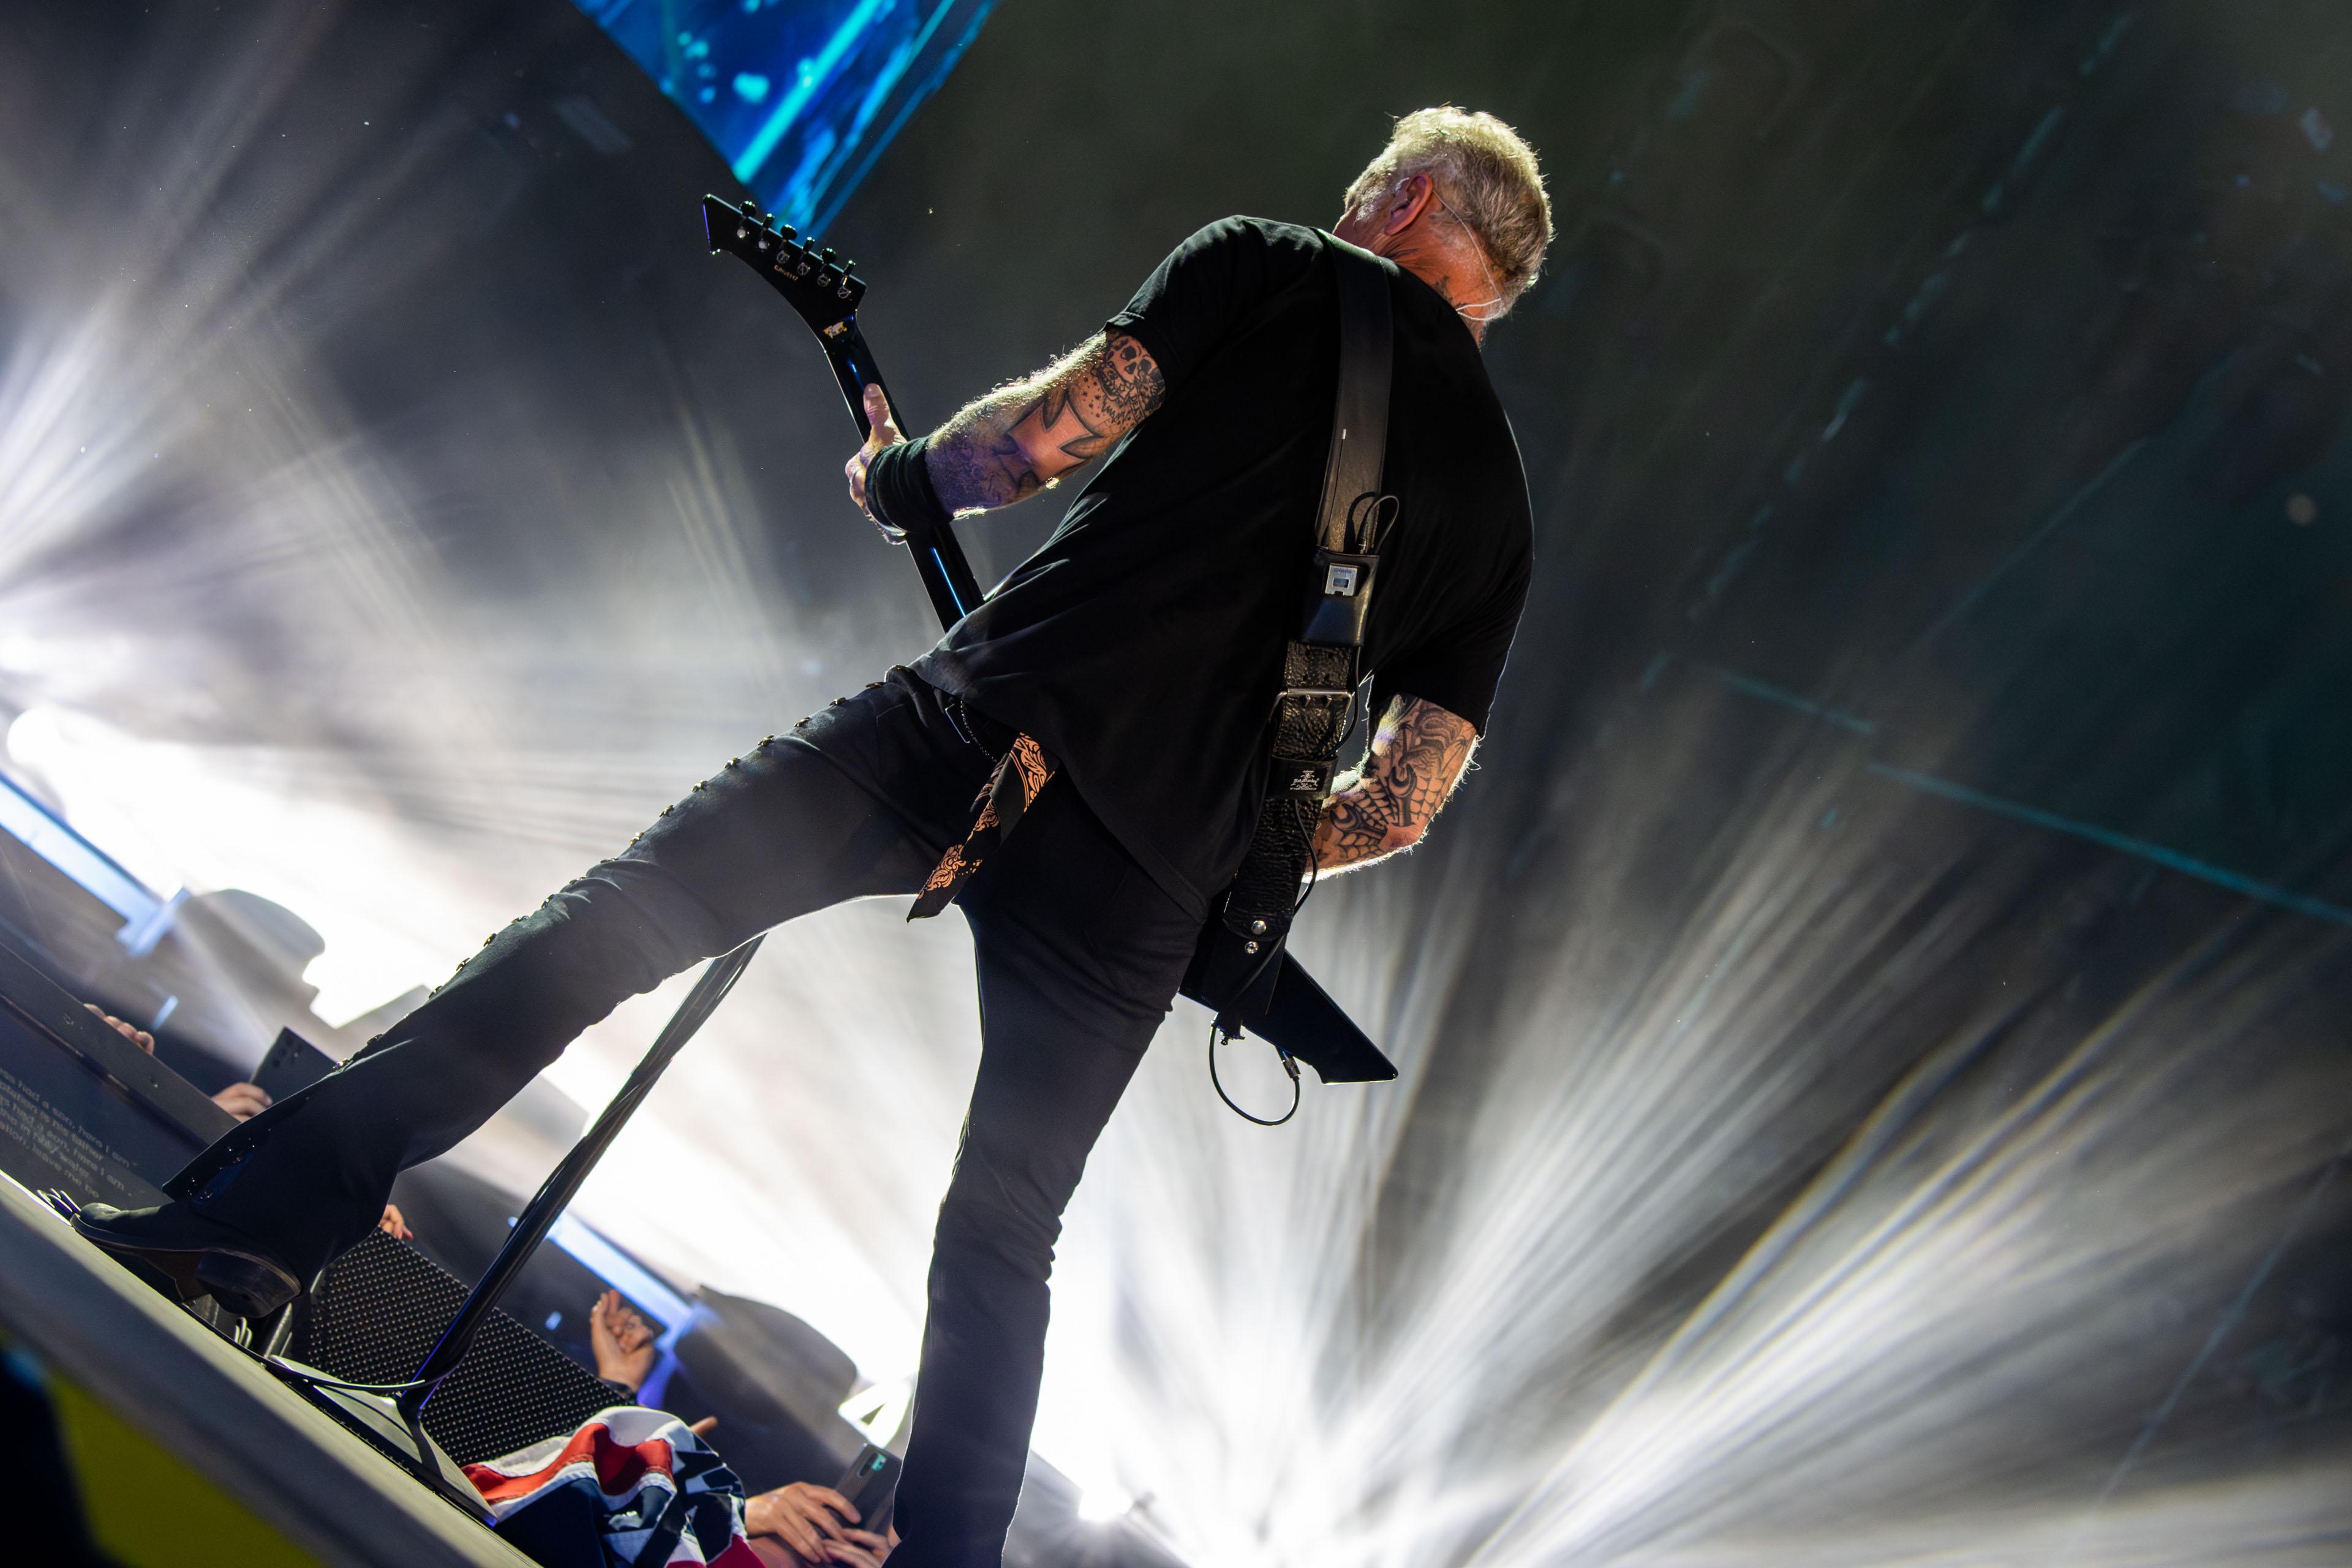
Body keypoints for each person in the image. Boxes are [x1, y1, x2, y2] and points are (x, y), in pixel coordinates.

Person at [74, 105, 1550, 1566]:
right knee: (1003, 1236)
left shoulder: (1273, 264)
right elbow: (1402, 802)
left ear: (1411, 200)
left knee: (615, 926)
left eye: (1369, 189)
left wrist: (902, 477)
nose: (1350, 209)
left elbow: (1042, 442)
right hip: (1149, 892)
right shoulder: (1502, 513)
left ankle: (258, 1231)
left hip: (969, 737)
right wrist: (1226, 848)